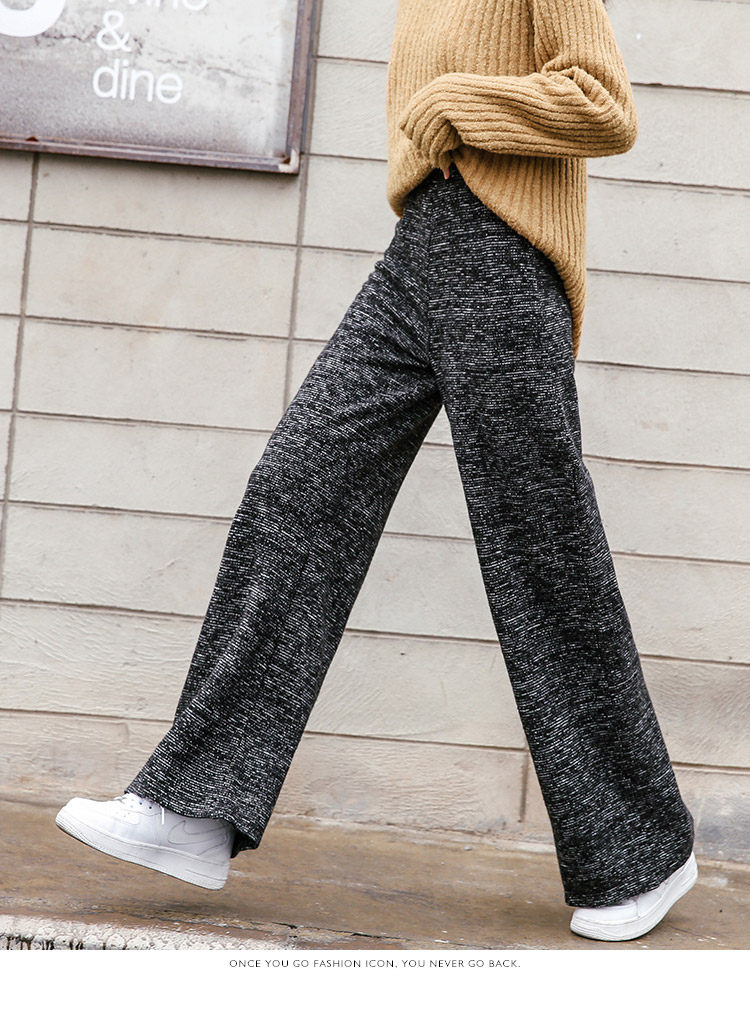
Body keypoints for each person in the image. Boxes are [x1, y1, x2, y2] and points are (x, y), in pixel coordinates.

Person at [55, 0, 698, 943]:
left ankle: (641, 851)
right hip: (419, 252)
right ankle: (197, 803)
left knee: (540, 554)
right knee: (297, 492)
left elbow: (604, 104)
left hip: (504, 253)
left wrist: (457, 101)